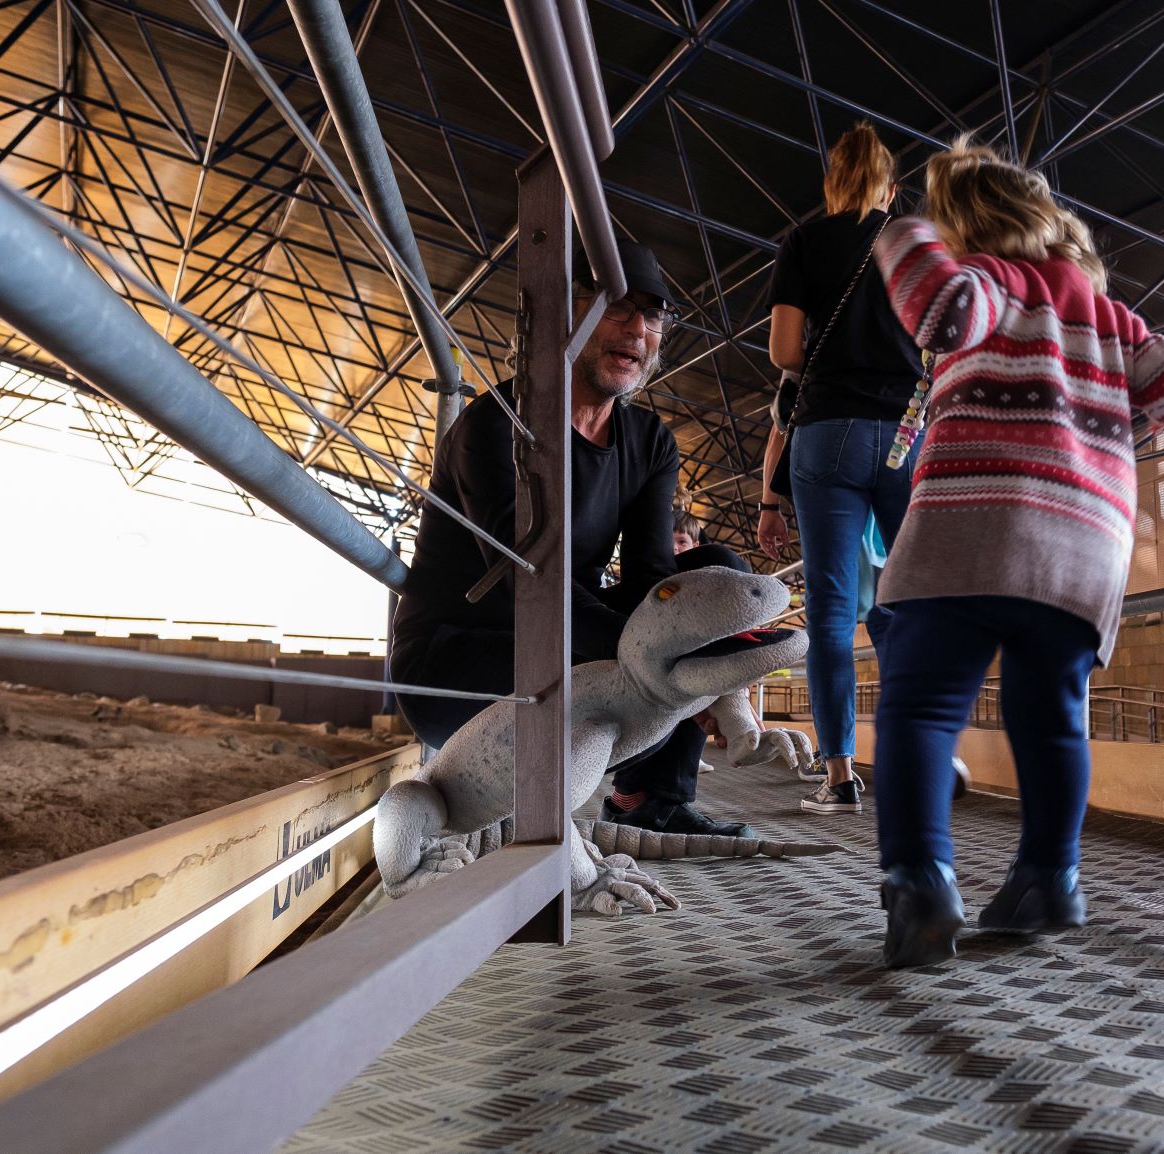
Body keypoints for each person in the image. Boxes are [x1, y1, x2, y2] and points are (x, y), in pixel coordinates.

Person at [868, 137, 1164, 968]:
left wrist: (898, 232)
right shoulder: (1110, 317)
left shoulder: (990, 280)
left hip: (970, 529)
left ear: (966, 226)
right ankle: (1049, 879)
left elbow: (939, 312)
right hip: (1082, 550)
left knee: (921, 708)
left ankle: (921, 883)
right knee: (1053, 715)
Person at [390, 238, 756, 839]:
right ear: (566, 314)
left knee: (715, 573)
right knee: (659, 645)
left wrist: (711, 653)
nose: (637, 329)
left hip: (569, 640)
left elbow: (652, 579)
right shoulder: (498, 423)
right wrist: (670, 661)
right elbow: (527, 581)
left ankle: (649, 799)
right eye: (617, 306)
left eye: (653, 315)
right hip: (460, 663)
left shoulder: (650, 441)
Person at [758, 121, 926, 817]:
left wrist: (835, 361)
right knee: (907, 599)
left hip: (827, 431)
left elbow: (783, 351)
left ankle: (839, 779)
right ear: (890, 188)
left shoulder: (804, 241)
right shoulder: (915, 243)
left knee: (830, 611)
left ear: (832, 184)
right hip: (905, 432)